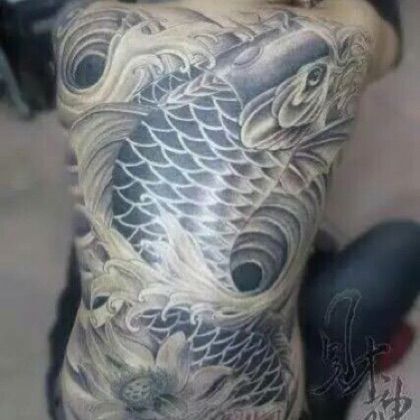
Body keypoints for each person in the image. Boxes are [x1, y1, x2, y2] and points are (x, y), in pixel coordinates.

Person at [47, 1, 420, 419]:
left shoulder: (82, 22)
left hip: (89, 383)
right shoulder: (338, 37)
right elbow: (380, 42)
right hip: (251, 396)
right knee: (405, 246)